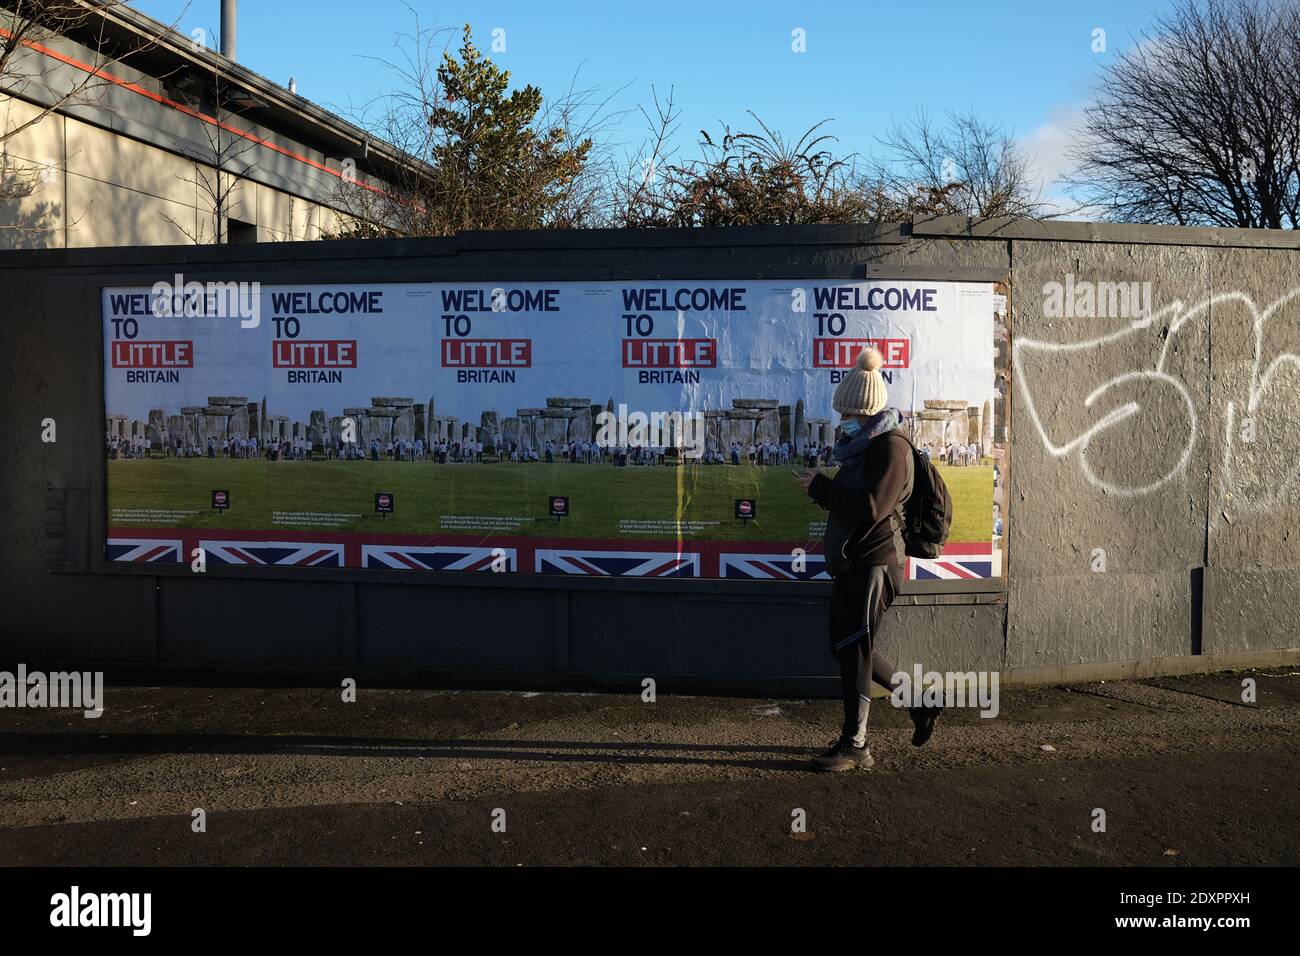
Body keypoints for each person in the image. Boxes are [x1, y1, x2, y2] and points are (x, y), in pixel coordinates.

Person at [796, 347, 943, 772]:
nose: (843, 417)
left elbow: (874, 506)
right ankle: (920, 701)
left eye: (847, 409)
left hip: (876, 562)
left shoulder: (890, 447)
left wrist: (820, 489)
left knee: (855, 650)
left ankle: (855, 744)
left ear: (860, 407)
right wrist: (822, 490)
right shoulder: (866, 445)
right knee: (844, 647)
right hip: (856, 561)